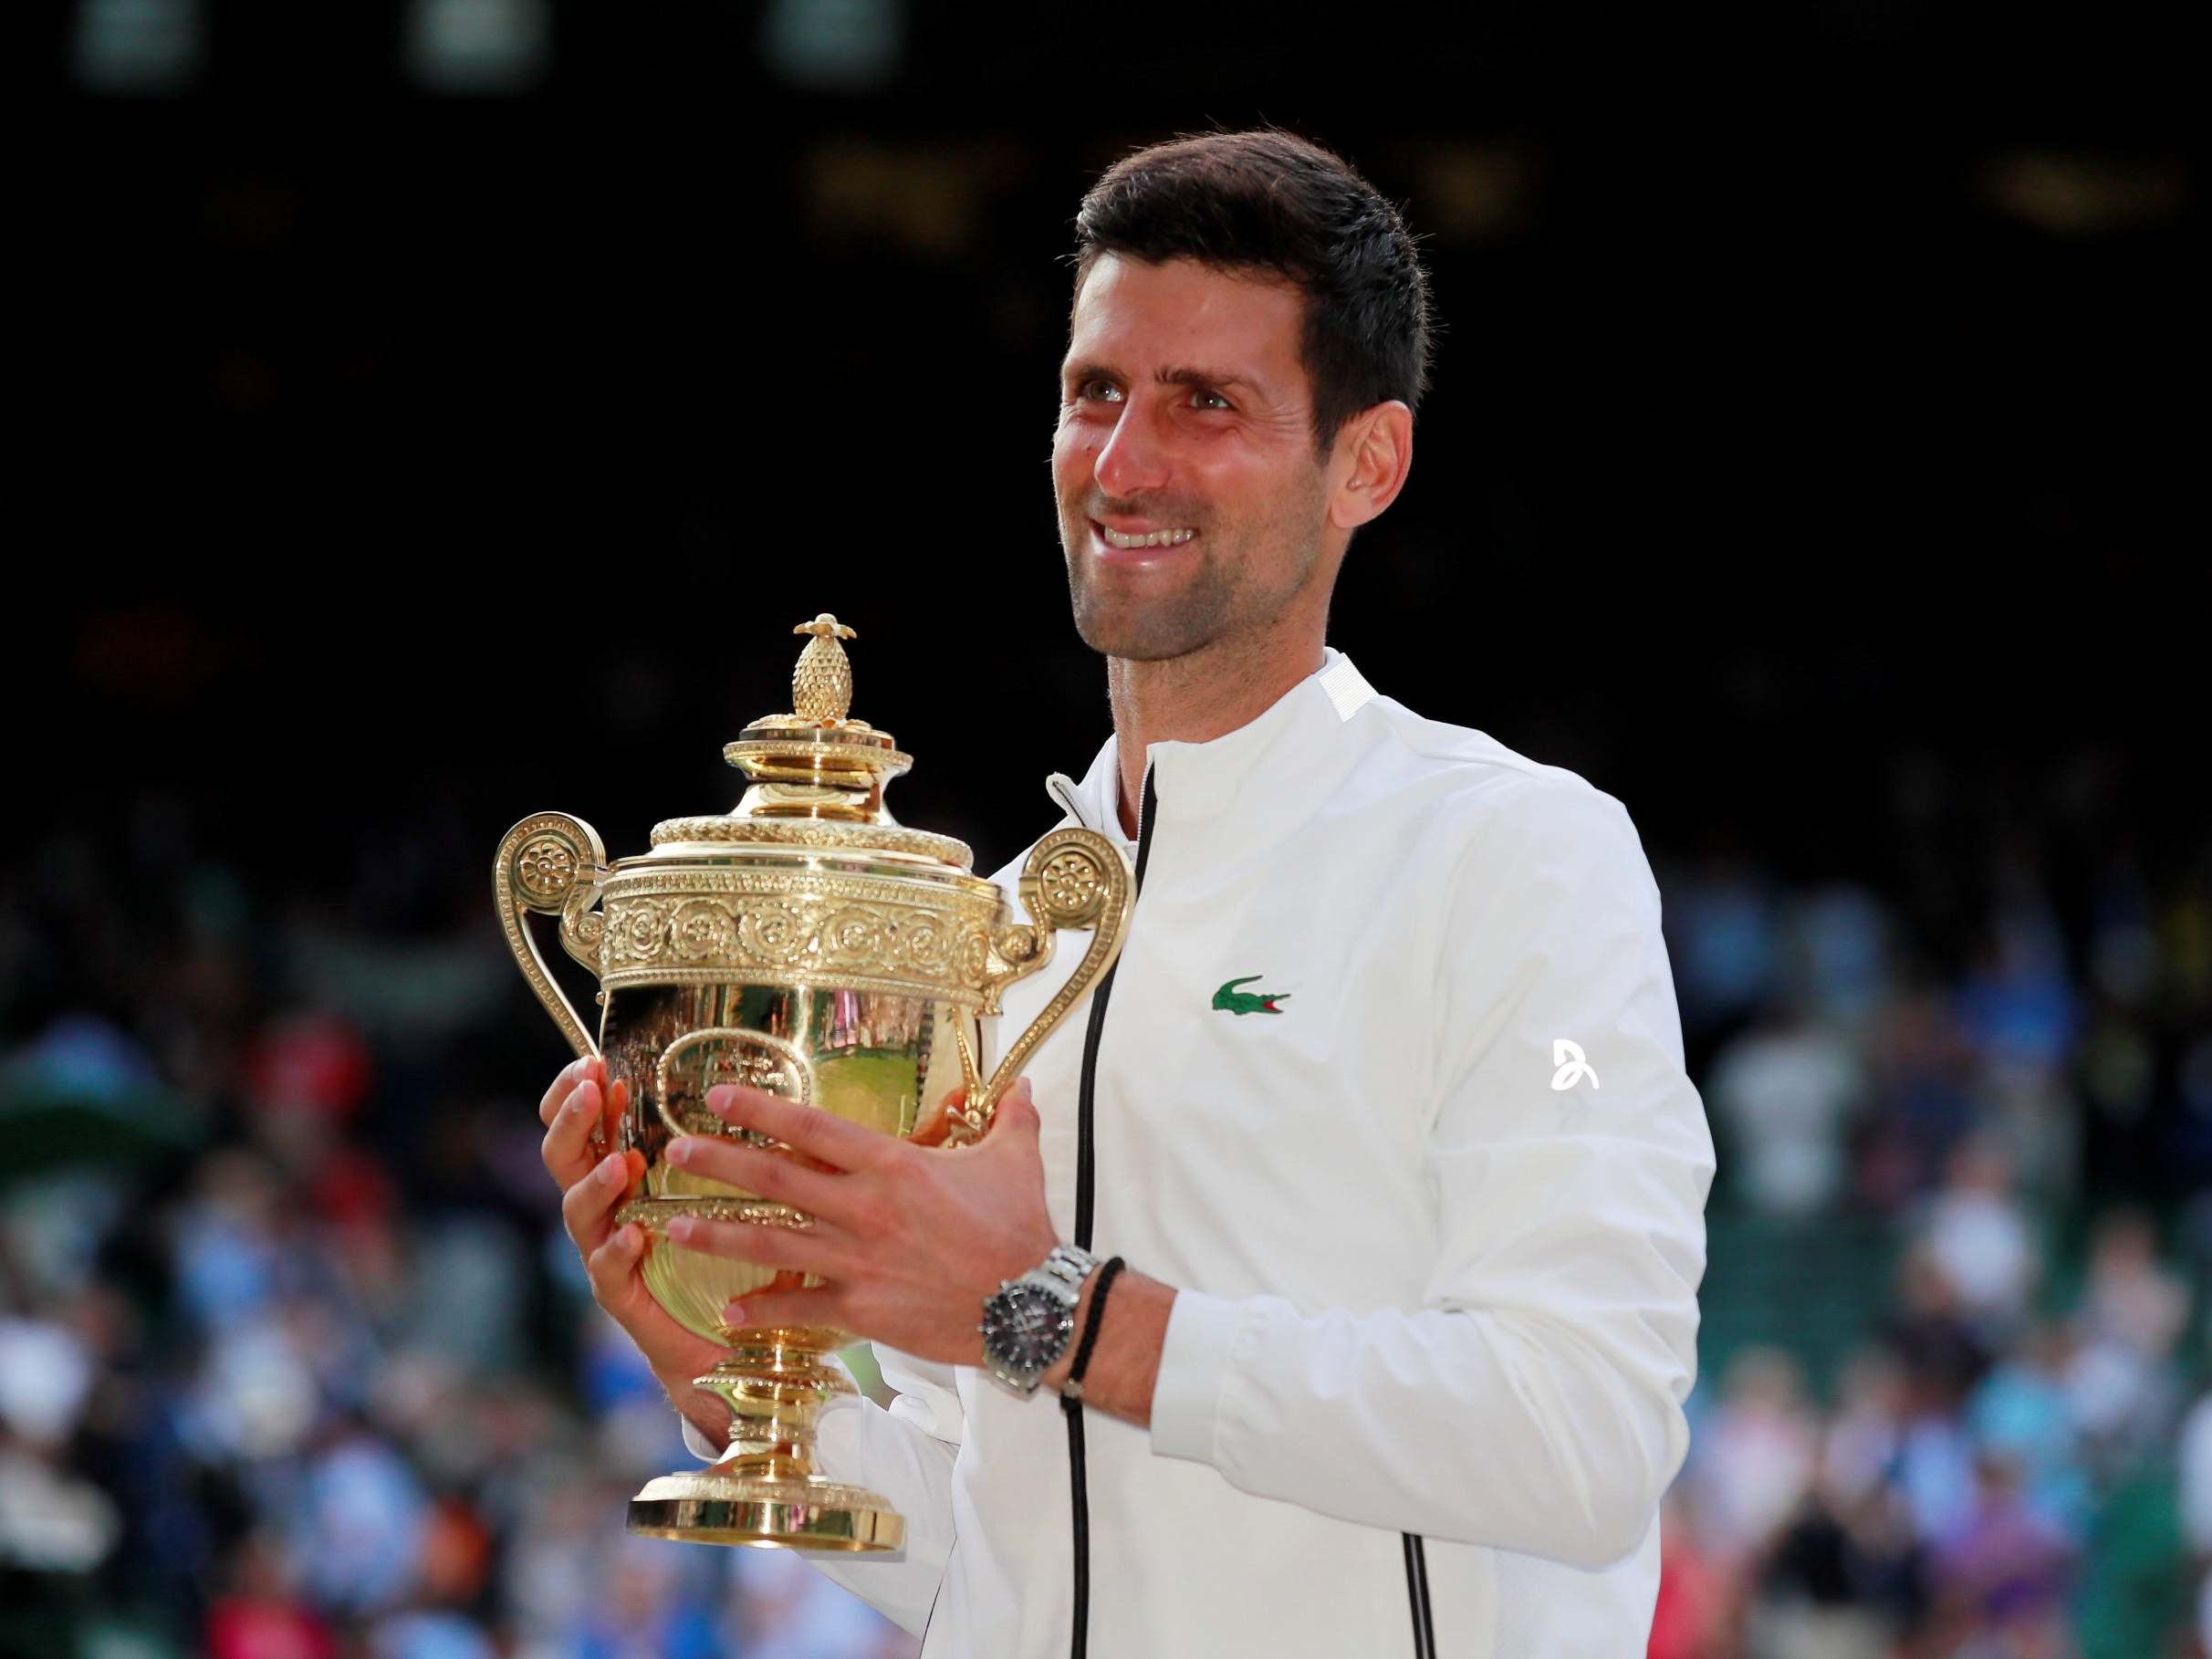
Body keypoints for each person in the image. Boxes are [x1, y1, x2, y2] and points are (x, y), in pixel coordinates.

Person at [536, 127, 1715, 1657]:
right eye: (1097, 392)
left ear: (1368, 461)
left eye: (1205, 403)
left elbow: (1583, 1435)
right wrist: (710, 1353)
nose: (1126, 459)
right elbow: (988, 1562)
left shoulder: (1514, 853)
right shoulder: (990, 927)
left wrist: (1055, 1313)